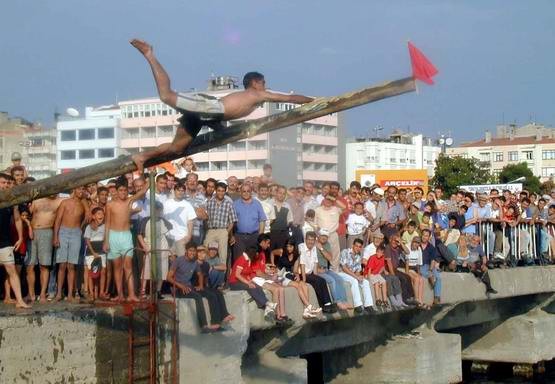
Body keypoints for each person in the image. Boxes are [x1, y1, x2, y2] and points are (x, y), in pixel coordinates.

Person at [129, 39, 314, 174]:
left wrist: (219, 127)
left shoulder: (251, 96)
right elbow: (290, 98)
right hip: (210, 108)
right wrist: (314, 101)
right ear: (256, 82)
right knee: (166, 96)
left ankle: (142, 157)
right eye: (264, 82)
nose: (266, 86)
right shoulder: (258, 93)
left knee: (177, 149)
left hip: (209, 116)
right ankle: (149, 54)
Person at [167, 242, 234, 333]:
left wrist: (201, 285)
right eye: (190, 251)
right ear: (186, 251)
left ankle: (216, 323)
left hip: (189, 287)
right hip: (177, 289)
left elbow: (200, 275)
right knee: (198, 297)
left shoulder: (194, 262)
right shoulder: (178, 260)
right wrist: (180, 285)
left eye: (194, 251)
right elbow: (168, 277)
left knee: (212, 295)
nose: (192, 253)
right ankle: (203, 326)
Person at [103, 176, 149, 302]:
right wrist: (106, 241)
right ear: (116, 191)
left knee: (127, 266)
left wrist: (151, 175)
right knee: (117, 267)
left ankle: (132, 295)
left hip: (126, 236)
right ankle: (120, 294)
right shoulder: (110, 205)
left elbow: (143, 190)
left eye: (125, 190)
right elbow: (107, 223)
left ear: (127, 191)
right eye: (121, 190)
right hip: (113, 236)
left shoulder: (129, 200)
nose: (123, 193)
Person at [0, 173, 30, 308]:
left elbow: (18, 219)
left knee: (12, 270)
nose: (5, 185)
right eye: (2, 183)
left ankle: (20, 301)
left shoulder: (12, 200)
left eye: (7, 183)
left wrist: (20, 237)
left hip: (5, 242)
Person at [53, 187, 87, 302]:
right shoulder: (65, 202)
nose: (81, 191)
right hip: (63, 231)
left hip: (76, 232)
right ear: (74, 189)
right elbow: (58, 219)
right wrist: (55, 236)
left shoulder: (83, 203)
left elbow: (88, 216)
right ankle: (58, 294)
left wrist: (80, 228)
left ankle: (70, 294)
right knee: (62, 265)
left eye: (83, 189)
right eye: (79, 189)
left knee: (72, 265)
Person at [276, 240, 322, 319]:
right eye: (287, 246)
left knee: (303, 284)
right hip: (282, 275)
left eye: (290, 246)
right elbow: (273, 256)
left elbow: (295, 269)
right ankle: (309, 306)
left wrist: (297, 275)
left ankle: (306, 311)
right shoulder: (281, 253)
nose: (288, 248)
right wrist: (273, 264)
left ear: (294, 247)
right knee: (298, 285)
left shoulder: (296, 256)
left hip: (290, 274)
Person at [137, 201, 173, 298]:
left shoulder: (164, 221)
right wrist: (144, 246)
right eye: (156, 209)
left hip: (162, 247)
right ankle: (143, 291)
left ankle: (158, 291)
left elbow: (170, 231)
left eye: (159, 209)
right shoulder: (145, 220)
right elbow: (139, 234)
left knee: (162, 269)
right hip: (149, 246)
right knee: (146, 269)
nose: (157, 211)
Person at [298, 234, 337, 314]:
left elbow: (315, 263)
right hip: (302, 273)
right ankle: (325, 304)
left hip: (310, 273)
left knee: (321, 280)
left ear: (315, 240)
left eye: (312, 240)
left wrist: (316, 275)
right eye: (309, 239)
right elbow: (302, 264)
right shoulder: (302, 247)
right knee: (318, 281)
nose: (310, 242)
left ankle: (327, 304)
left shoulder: (313, 249)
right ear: (305, 239)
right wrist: (304, 279)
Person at [338, 239, 376, 314]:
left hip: (351, 274)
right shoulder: (345, 252)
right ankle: (357, 305)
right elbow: (344, 268)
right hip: (342, 273)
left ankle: (368, 305)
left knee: (365, 282)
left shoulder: (358, 256)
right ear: (353, 245)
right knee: (354, 280)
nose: (358, 248)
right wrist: (356, 277)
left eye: (360, 247)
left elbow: (358, 271)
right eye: (356, 246)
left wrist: (360, 277)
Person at [232, 184, 266, 262]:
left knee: (253, 260)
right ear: (240, 192)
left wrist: (260, 236)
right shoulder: (235, 204)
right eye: (244, 191)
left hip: (254, 237)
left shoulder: (257, 204)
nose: (246, 193)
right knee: (239, 260)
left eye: (248, 191)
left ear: (251, 192)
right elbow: (231, 221)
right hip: (239, 237)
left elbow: (262, 220)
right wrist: (232, 235)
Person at [204, 181, 237, 260]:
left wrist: (226, 232)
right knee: (206, 251)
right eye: (219, 190)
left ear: (225, 192)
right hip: (211, 230)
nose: (220, 193)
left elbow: (232, 221)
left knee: (222, 254)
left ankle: (222, 270)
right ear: (216, 190)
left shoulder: (228, 204)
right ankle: (208, 270)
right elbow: (205, 217)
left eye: (223, 191)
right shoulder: (209, 203)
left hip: (223, 230)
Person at [83, 207, 107, 301]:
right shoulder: (89, 227)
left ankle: (101, 292)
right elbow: (87, 241)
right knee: (92, 273)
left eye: (102, 214)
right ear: (93, 216)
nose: (101, 215)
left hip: (101, 251)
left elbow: (105, 238)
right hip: (91, 252)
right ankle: (91, 294)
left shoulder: (105, 226)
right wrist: (93, 252)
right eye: (98, 214)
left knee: (102, 272)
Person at [364, 244, 390, 312]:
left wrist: (385, 271)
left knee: (384, 282)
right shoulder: (372, 257)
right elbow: (369, 269)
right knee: (376, 282)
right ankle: (377, 299)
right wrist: (369, 278)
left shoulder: (382, 257)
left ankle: (385, 300)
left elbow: (382, 266)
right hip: (369, 273)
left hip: (376, 273)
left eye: (381, 253)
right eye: (378, 252)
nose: (379, 254)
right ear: (376, 251)